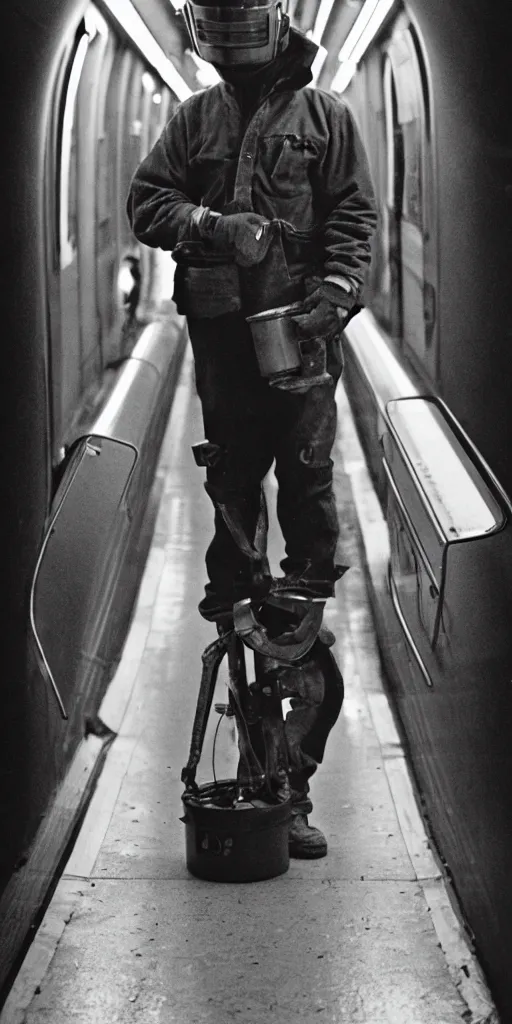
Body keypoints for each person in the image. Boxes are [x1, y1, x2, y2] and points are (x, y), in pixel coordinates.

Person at [127, 0, 377, 858]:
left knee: (304, 548)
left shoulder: (326, 119)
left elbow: (354, 218)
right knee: (234, 537)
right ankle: (241, 655)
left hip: (301, 350)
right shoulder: (193, 120)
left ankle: (289, 785)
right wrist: (207, 225)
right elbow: (146, 201)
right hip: (225, 355)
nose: (232, 58)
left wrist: (336, 295)